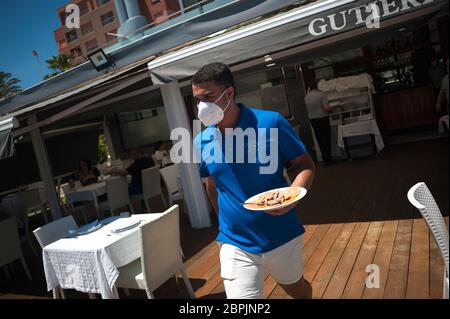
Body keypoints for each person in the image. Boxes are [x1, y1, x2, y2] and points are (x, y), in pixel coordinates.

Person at [193, 63, 315, 299]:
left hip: (281, 233)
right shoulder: (201, 141)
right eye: (197, 100)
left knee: (296, 289)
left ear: (229, 93)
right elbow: (211, 185)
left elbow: (305, 165)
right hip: (235, 241)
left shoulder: (271, 122)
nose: (202, 106)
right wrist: (225, 224)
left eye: (208, 97)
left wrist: (293, 197)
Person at [304, 81, 335, 165]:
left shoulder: (306, 97)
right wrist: (333, 107)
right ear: (317, 86)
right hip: (323, 119)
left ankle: (325, 159)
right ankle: (329, 159)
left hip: (313, 120)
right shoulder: (321, 95)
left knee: (319, 139)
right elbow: (326, 108)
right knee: (326, 138)